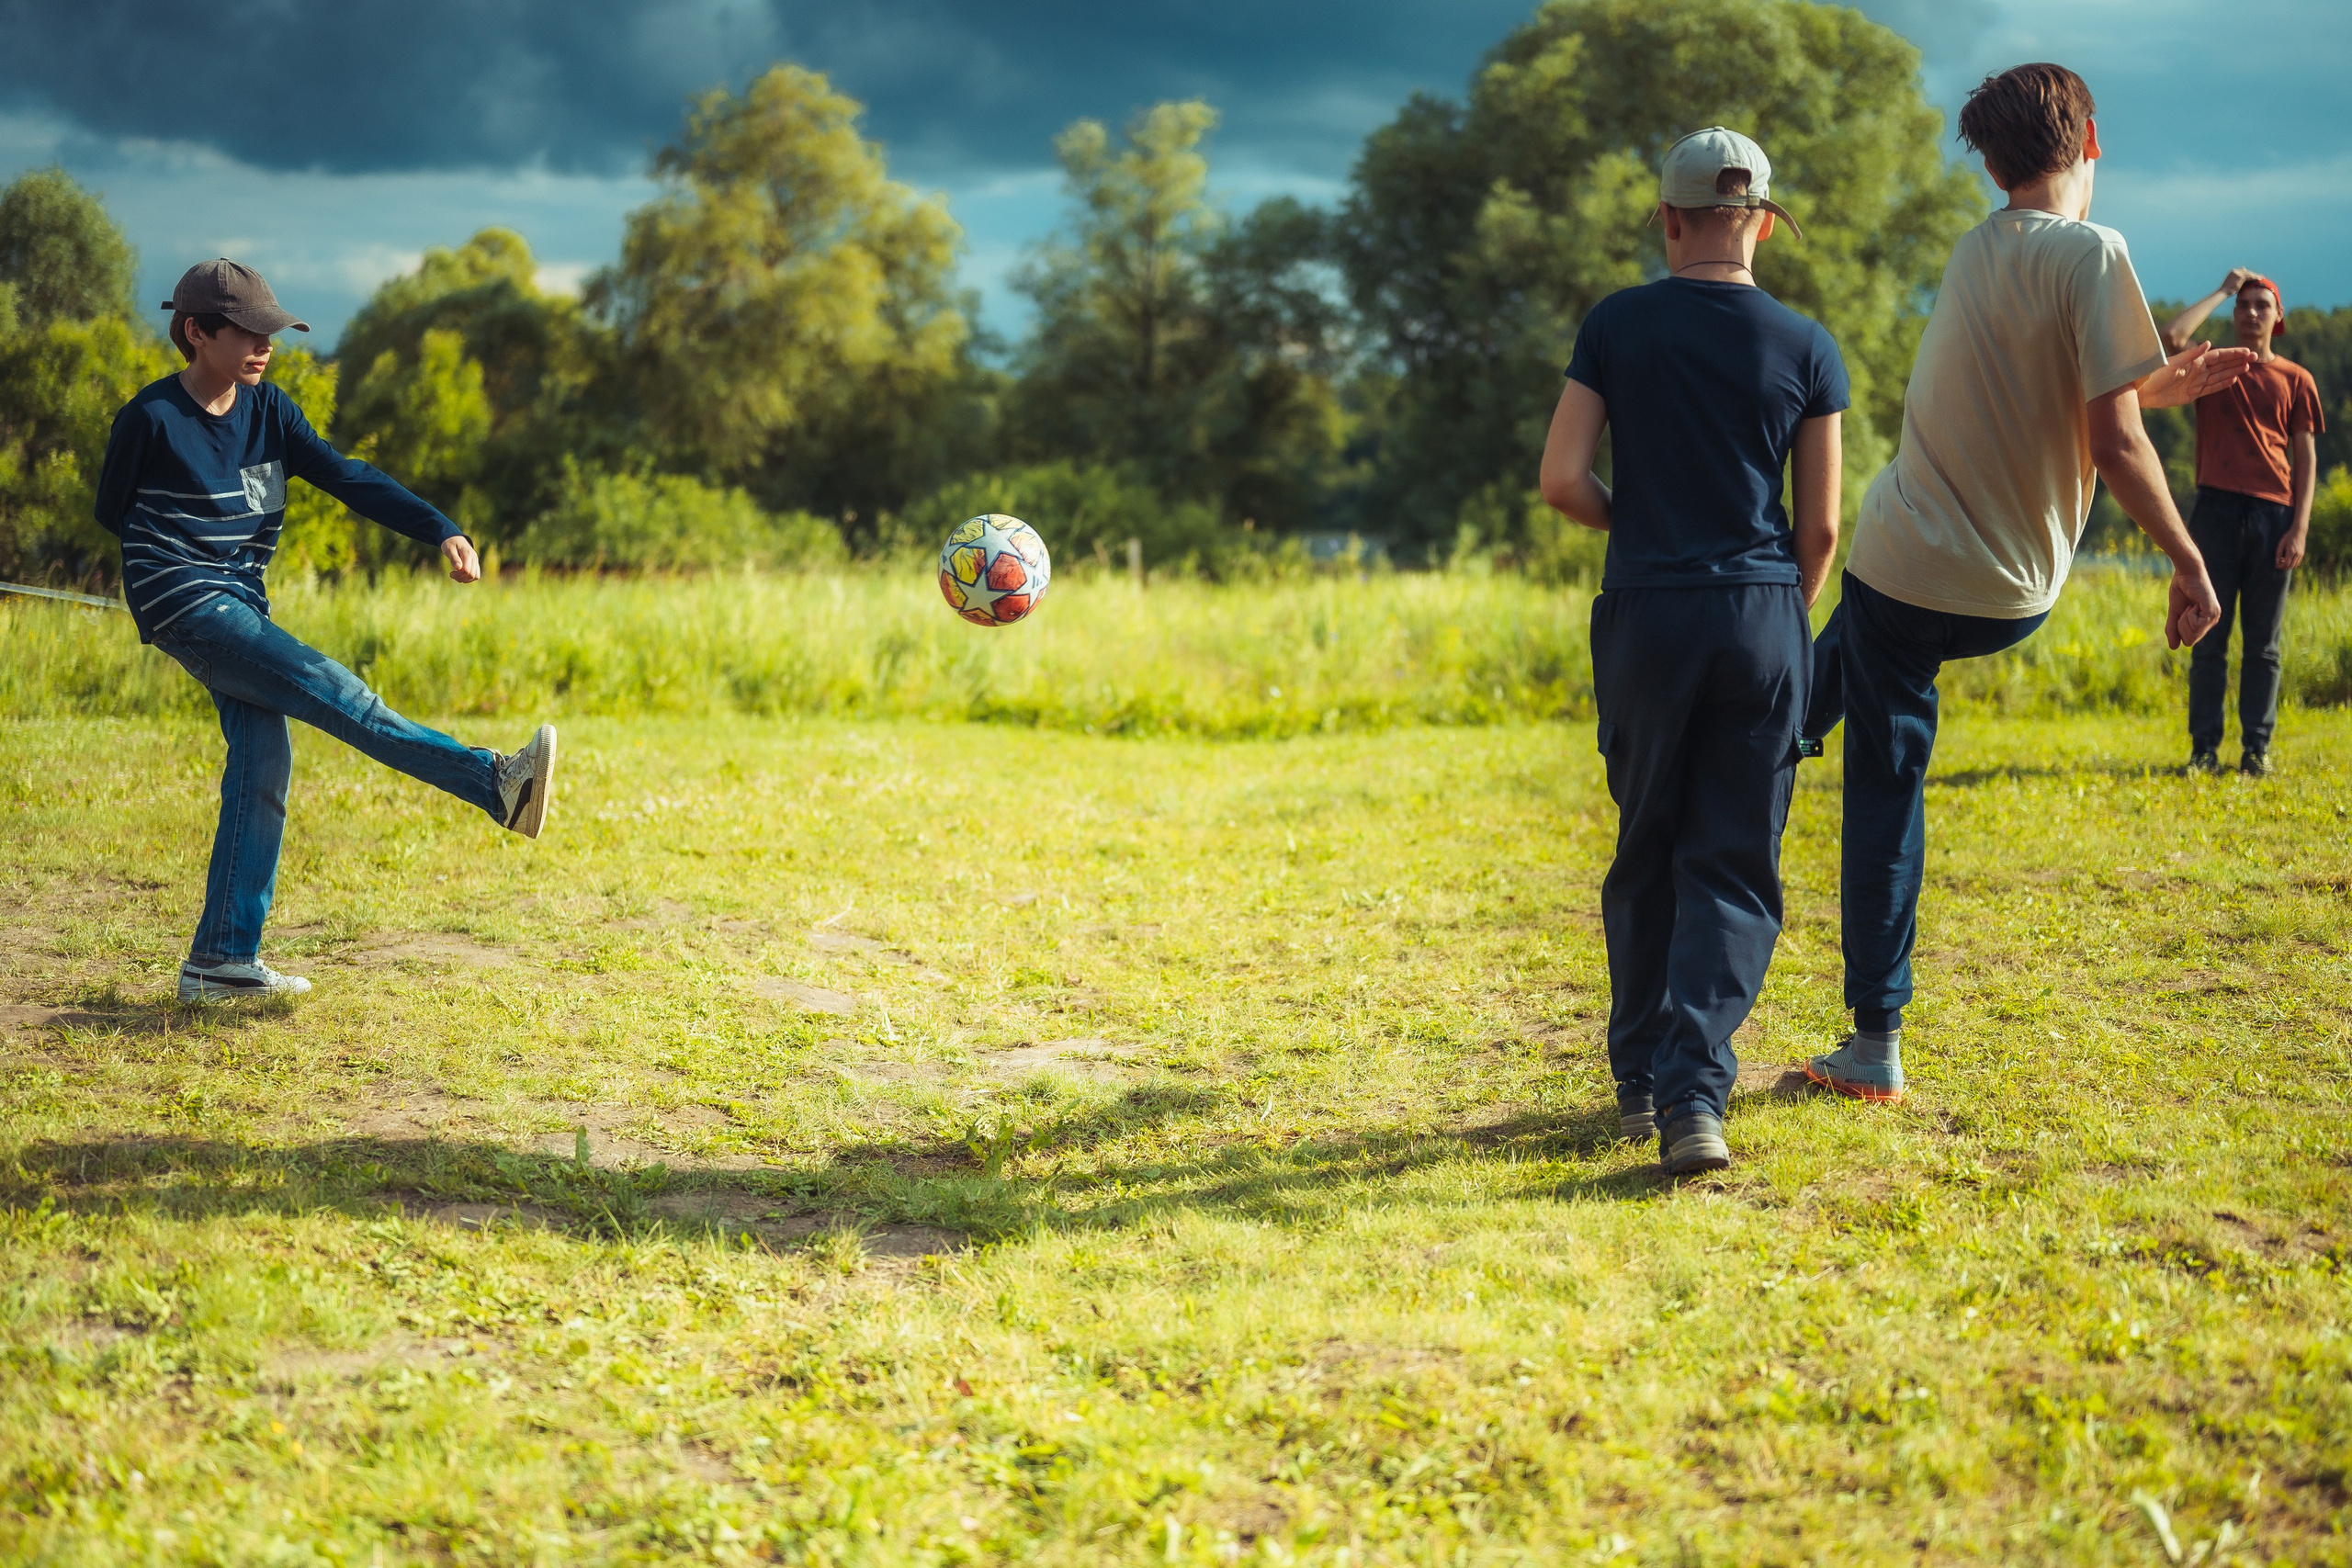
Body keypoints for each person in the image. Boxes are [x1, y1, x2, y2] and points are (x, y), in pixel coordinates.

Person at [1801, 64, 2252, 1102]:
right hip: (2008, 591)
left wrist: (2147, 388)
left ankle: (1870, 1041)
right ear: (2089, 140)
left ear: (1994, 162)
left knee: (1865, 767)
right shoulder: (2096, 251)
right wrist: (2188, 556)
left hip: (1903, 568)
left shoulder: (1974, 252)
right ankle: (1757, 741)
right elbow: (2113, 437)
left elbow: (2077, 395)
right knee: (1820, 702)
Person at [95, 259, 558, 1003]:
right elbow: (112, 512)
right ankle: (495, 782)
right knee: (333, 689)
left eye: (269, 331)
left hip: (243, 604)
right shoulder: (150, 420)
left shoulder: (271, 411)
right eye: (247, 331)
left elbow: (349, 476)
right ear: (196, 332)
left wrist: (442, 530)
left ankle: (219, 962)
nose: (264, 344)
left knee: (263, 764)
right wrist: (180, 574)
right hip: (186, 602)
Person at [1539, 128, 1846, 1176]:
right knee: (1733, 865)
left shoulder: (1617, 324)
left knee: (1647, 842)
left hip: (1646, 612)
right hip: (1760, 614)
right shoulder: (1807, 346)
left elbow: (1562, 480)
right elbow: (1821, 532)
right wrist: (1774, 611)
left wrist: (1642, 525)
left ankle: (1637, 1080)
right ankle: (1691, 1098)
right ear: (1762, 220)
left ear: (1668, 219)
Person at [2159, 270, 2324, 777]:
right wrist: (2221, 289)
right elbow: (2171, 340)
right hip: (2214, 513)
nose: (2251, 312)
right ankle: (2203, 751)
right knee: (2208, 637)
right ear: (2234, 314)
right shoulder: (2213, 369)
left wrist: (2299, 529)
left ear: (2277, 319)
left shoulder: (2297, 380)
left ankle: (2257, 750)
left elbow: (2306, 458)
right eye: (2244, 305)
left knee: (2264, 645)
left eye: (2261, 306)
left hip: (2273, 515)